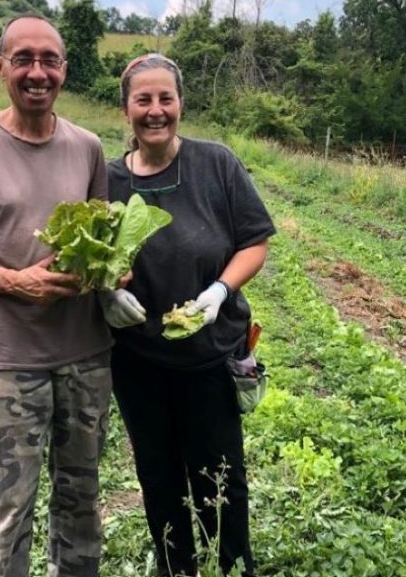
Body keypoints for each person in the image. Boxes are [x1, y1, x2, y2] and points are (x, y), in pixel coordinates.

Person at [0, 14, 114, 577]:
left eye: (49, 60)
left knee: (81, 503)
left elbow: (103, 242)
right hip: (9, 361)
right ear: (1, 66)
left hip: (86, 356)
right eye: (24, 59)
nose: (38, 72)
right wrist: (17, 282)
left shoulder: (87, 147)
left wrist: (110, 273)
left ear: (64, 69)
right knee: (8, 510)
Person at [99, 54, 276, 577]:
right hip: (138, 361)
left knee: (219, 473)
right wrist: (104, 293)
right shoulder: (106, 180)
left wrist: (222, 289)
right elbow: (93, 257)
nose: (156, 111)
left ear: (180, 104)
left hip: (208, 356)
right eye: (143, 100)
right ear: (126, 108)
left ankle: (231, 565)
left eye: (166, 99)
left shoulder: (215, 163)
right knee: (157, 474)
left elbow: (254, 242)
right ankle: (176, 567)